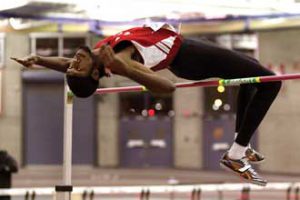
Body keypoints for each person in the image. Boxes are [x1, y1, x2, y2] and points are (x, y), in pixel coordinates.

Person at [11, 23, 281, 186]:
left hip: (188, 48)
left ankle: (239, 145)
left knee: (251, 78)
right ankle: (235, 154)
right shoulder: (118, 59)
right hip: (188, 56)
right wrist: (124, 69)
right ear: (95, 74)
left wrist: (39, 60)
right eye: (77, 69)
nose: (73, 63)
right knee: (271, 82)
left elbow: (67, 64)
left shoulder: (96, 54)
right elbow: (167, 88)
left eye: (72, 65)